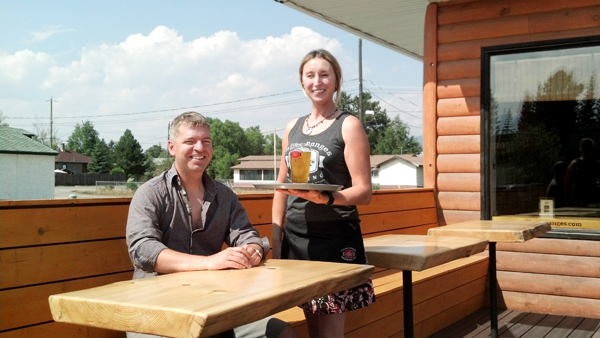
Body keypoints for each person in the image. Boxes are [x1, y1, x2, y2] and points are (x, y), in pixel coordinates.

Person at [126, 111, 297, 338]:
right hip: (155, 310)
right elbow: (142, 250)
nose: (200, 148)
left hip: (213, 306)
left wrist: (253, 251)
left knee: (282, 333)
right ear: (171, 147)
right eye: (190, 141)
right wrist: (208, 262)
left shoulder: (224, 196)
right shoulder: (151, 193)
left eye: (206, 141)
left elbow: (248, 235)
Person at [271, 49, 375, 338]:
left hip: (335, 238)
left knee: (329, 333)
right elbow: (281, 188)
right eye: (310, 75)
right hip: (297, 238)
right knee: (312, 326)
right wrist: (276, 239)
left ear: (336, 81)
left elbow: (364, 191)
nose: (317, 81)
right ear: (303, 82)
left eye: (324, 74)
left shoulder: (348, 125)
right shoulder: (292, 127)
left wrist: (328, 198)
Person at [564, 138, 600, 207]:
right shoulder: (596, 164)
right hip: (588, 198)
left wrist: (567, 199)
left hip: (581, 199)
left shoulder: (574, 164)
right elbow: (566, 183)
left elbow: (566, 183)